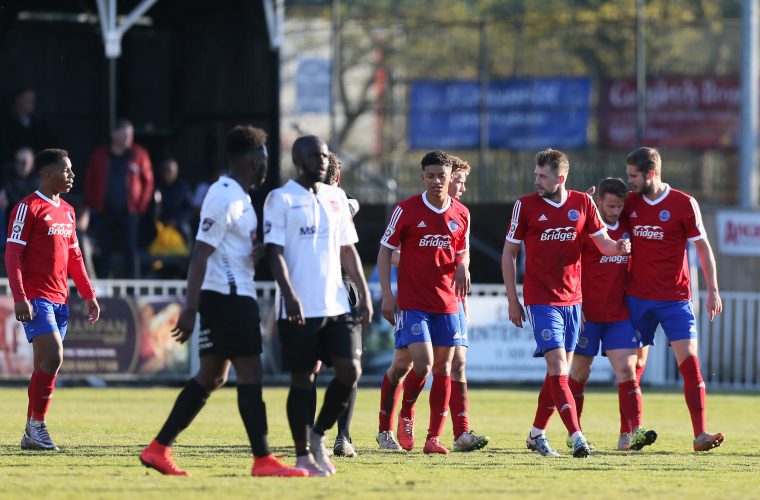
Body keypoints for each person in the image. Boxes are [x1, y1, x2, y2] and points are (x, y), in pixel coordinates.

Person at [139, 125, 306, 477]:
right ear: (251, 161)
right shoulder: (226, 195)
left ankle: (158, 449)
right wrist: (189, 307)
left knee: (212, 375)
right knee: (251, 370)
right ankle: (263, 459)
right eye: (262, 161)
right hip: (229, 298)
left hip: (227, 295)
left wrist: (253, 252)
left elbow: (223, 251)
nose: (265, 168)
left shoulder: (240, 198)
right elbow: (200, 252)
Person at [501, 148, 630, 458]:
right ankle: (577, 436)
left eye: (542, 175)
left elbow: (604, 244)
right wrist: (512, 299)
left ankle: (536, 434)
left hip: (573, 300)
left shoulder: (582, 203)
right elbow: (509, 254)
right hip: (541, 300)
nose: (537, 180)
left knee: (556, 374)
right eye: (535, 174)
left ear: (561, 178)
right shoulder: (525, 206)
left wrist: (621, 247)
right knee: (559, 367)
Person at [264, 135, 372, 477]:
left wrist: (366, 294)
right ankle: (302, 456)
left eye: (324, 155)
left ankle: (318, 435)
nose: (321, 160)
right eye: (314, 155)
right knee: (302, 379)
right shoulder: (279, 199)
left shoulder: (336, 197)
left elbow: (347, 250)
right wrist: (289, 293)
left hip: (336, 304)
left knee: (349, 370)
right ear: (297, 160)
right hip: (298, 307)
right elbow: (274, 252)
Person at [376, 155, 488, 453]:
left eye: (442, 175)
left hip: (448, 302)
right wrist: (388, 294)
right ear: (422, 177)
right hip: (414, 303)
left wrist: (463, 264)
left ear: (451, 176)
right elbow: (385, 251)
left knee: (445, 367)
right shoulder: (406, 210)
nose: (437, 180)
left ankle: (433, 439)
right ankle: (402, 417)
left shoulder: (461, 213)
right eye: (431, 175)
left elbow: (461, 251)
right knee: (420, 364)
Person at [623, 146, 724, 452]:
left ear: (651, 174)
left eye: (634, 176)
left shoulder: (683, 203)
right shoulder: (630, 203)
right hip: (637, 298)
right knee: (631, 368)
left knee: (691, 365)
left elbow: (703, 247)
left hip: (676, 299)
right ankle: (628, 433)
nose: (630, 182)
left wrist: (713, 290)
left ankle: (699, 435)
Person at [5, 148, 100, 451]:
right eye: (66, 170)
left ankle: (30, 431)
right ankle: (38, 427)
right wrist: (20, 297)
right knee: (54, 356)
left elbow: (75, 257)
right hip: (36, 298)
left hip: (60, 299)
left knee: (45, 365)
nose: (72, 175)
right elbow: (12, 253)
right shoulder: (27, 208)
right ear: (47, 174)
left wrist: (89, 294)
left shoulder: (69, 211)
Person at [566, 177, 657, 451]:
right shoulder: (587, 230)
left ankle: (632, 432)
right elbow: (570, 267)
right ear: (598, 203)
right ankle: (576, 433)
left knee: (628, 371)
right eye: (610, 205)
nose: (615, 211)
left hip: (619, 314)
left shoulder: (628, 227)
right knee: (580, 374)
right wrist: (575, 304)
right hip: (588, 315)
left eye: (619, 206)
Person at [307, 151, 361, 458]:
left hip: (314, 291)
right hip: (340, 291)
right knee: (348, 368)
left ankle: (311, 436)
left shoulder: (297, 203)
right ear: (338, 178)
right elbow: (352, 204)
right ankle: (343, 437)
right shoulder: (343, 203)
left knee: (310, 369)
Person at [84, 118, 153, 278]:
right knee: (104, 250)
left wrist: (140, 206)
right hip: (105, 210)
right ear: (114, 135)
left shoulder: (139, 155)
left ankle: (132, 289)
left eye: (131, 135)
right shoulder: (99, 155)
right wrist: (92, 205)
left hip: (129, 211)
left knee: (130, 250)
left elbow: (148, 182)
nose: (129, 139)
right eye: (125, 135)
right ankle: (102, 290)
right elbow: (90, 180)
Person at [0, 87, 55, 162]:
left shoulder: (39, 124)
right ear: (18, 100)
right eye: (28, 99)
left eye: (32, 100)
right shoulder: (5, 123)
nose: (31, 102)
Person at [0, 147, 39, 239]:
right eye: (17, 161)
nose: (20, 165)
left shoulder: (38, 179)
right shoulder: (7, 174)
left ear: (32, 164)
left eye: (24, 162)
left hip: (29, 214)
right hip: (10, 212)